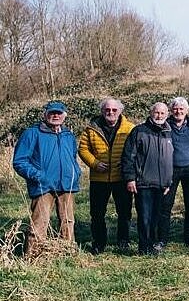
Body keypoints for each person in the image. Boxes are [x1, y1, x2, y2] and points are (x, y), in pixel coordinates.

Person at [13, 101, 81, 257]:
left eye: (59, 113)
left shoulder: (68, 135)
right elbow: (19, 161)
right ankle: (33, 257)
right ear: (45, 114)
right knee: (39, 223)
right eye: (52, 113)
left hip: (67, 185)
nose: (55, 116)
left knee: (68, 222)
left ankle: (68, 254)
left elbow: (72, 157)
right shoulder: (32, 133)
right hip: (43, 186)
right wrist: (39, 176)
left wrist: (75, 172)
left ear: (64, 116)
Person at [78, 98, 134, 253]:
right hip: (99, 178)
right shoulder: (91, 129)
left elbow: (135, 150)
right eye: (107, 110)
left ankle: (123, 240)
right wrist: (95, 163)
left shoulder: (130, 128)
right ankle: (99, 242)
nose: (111, 112)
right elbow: (83, 149)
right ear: (102, 111)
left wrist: (126, 165)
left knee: (124, 212)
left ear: (120, 111)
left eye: (114, 110)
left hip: (121, 178)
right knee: (97, 213)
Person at [122, 102, 174, 255]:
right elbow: (128, 156)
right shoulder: (139, 131)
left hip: (161, 184)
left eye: (163, 113)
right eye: (156, 113)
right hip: (142, 183)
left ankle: (152, 246)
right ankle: (144, 248)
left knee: (156, 218)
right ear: (151, 113)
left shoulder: (168, 132)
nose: (159, 116)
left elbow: (169, 159)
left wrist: (168, 181)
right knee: (144, 217)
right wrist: (130, 178)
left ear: (167, 115)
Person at [159, 97, 189, 248]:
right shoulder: (164, 126)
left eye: (181, 109)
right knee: (165, 205)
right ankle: (161, 239)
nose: (178, 111)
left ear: (187, 110)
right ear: (170, 110)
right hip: (170, 171)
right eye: (175, 108)